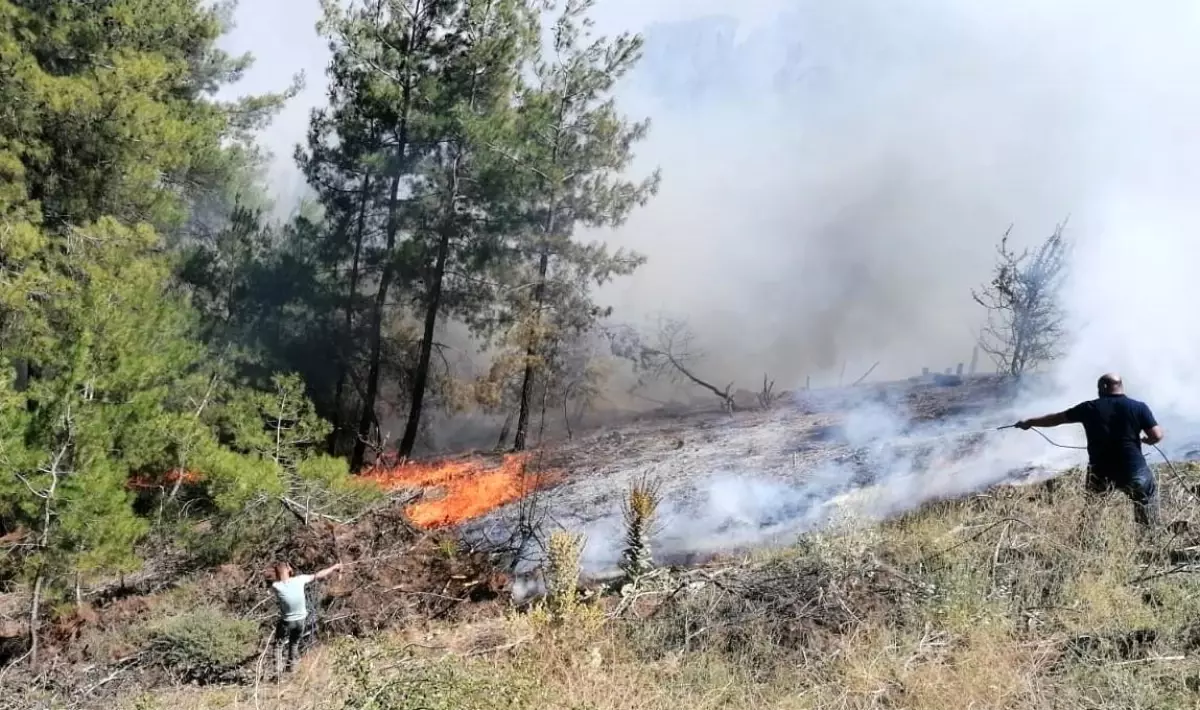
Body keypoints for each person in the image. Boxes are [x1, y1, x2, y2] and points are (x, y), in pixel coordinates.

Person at [1015, 372, 1165, 528]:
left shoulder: (1089, 408)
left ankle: (1088, 542)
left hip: (1100, 471)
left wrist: (1030, 422)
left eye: (1098, 387)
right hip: (1133, 469)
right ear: (1120, 386)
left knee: (1093, 512)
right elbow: (1157, 435)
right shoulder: (1139, 407)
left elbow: (1057, 419)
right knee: (1146, 503)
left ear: (1104, 387)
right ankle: (1150, 540)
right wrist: (1148, 440)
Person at [271, 560, 342, 674]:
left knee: (278, 645)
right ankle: (291, 669)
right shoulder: (300, 579)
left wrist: (283, 572)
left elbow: (280, 580)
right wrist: (334, 567)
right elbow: (318, 575)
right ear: (288, 570)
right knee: (294, 643)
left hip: (287, 621)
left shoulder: (276, 586)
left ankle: (277, 673)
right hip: (300, 620)